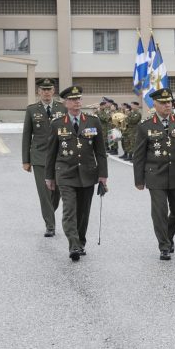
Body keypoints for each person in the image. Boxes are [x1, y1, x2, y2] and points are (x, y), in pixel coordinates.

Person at [132, 87, 175, 260]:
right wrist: (139, 179)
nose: (167, 105)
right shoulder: (145, 125)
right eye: (163, 103)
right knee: (160, 211)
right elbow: (138, 155)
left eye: (169, 102)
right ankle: (163, 245)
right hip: (155, 174)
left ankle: (168, 236)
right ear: (155, 104)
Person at [44, 85, 108, 262]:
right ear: (65, 103)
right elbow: (51, 152)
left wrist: (103, 175)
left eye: (79, 99)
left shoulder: (93, 121)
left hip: (88, 173)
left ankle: (80, 241)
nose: (77, 102)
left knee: (83, 212)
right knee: (69, 210)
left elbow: (100, 152)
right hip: (65, 173)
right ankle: (73, 245)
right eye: (73, 99)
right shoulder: (57, 123)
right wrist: (49, 176)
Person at [22, 78, 66, 237]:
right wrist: (26, 160)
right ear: (38, 92)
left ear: (53, 91)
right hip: (39, 156)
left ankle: (49, 213)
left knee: (58, 191)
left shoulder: (62, 108)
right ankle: (50, 225)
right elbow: (26, 136)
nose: (46, 92)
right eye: (43, 90)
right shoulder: (32, 110)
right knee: (44, 192)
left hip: (60, 156)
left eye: (49, 89)